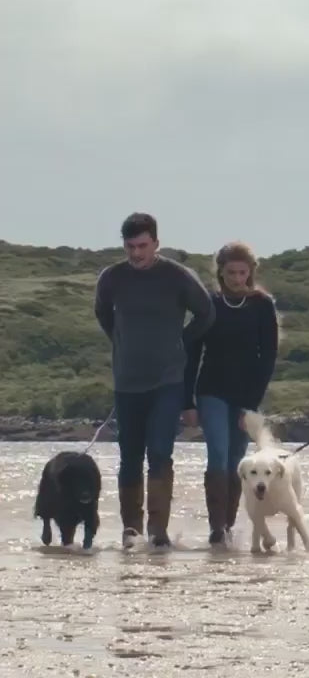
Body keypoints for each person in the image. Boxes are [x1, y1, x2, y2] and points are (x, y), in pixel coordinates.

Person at [94, 212, 215, 548]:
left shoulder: (178, 276)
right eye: (130, 246)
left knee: (160, 454)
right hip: (127, 382)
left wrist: (181, 341)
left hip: (167, 381)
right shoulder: (112, 278)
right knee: (130, 456)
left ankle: (157, 533)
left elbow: (206, 313)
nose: (136, 253)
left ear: (156, 243)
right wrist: (120, 341)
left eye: (142, 246)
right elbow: (103, 313)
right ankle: (131, 533)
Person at [182, 241, 280, 546]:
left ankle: (228, 523)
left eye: (242, 272)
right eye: (230, 273)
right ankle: (217, 530)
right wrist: (188, 402)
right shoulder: (209, 304)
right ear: (220, 273)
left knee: (238, 460)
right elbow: (191, 352)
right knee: (218, 456)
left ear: (251, 272)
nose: (237, 278)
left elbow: (269, 358)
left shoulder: (263, 305)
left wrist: (250, 407)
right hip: (211, 389)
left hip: (246, 395)